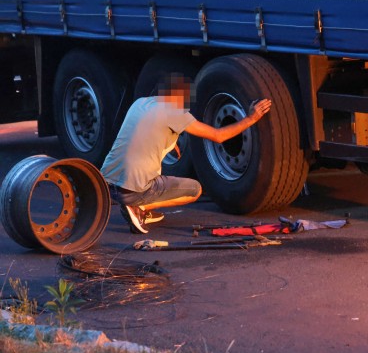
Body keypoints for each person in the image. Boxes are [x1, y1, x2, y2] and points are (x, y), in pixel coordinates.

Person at [101, 74, 271, 234]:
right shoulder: (176, 112)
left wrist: (170, 143)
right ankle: (139, 207)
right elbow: (218, 136)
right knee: (195, 190)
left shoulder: (140, 103)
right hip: (132, 190)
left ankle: (132, 202)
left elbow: (143, 134)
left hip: (107, 184)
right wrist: (251, 118)